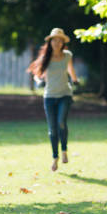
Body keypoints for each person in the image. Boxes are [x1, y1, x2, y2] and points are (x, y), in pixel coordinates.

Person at [28, 28, 79, 171]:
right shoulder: (45, 58)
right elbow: (37, 74)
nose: (57, 43)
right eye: (54, 40)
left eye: (59, 40)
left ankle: (64, 150)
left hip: (64, 95)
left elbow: (70, 69)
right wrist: (38, 81)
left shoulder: (67, 55)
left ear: (63, 43)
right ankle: (55, 157)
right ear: (50, 42)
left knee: (61, 122)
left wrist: (75, 80)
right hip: (49, 97)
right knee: (52, 129)